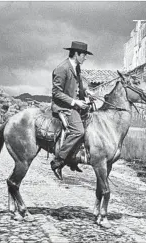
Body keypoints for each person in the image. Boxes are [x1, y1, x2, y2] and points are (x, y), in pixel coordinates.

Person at [50, 41, 93, 180]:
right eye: (84, 55)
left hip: (74, 105)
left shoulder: (77, 67)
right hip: (63, 106)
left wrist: (87, 92)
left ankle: (72, 158)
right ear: (76, 54)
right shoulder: (62, 69)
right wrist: (75, 102)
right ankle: (59, 161)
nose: (85, 58)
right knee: (78, 131)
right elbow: (56, 92)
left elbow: (78, 86)